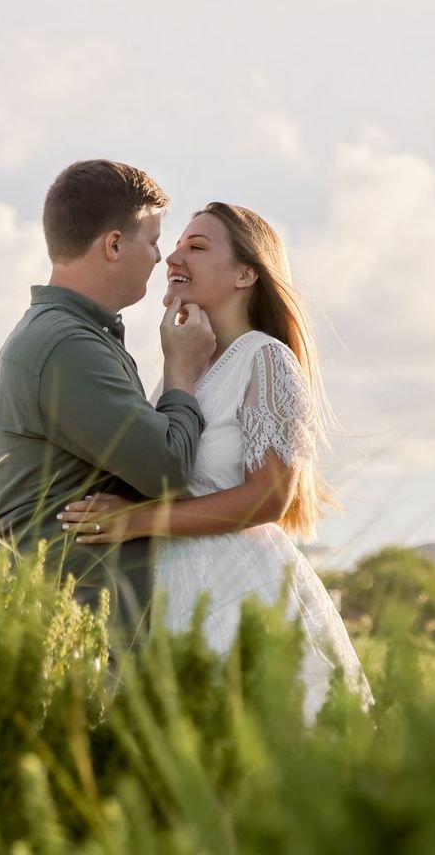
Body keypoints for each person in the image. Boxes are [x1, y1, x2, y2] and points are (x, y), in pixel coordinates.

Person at [57, 202, 371, 722]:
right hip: (170, 591)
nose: (174, 256)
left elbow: (271, 497)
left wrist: (134, 521)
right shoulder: (184, 363)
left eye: (196, 247)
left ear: (247, 273)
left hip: (238, 589)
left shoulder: (266, 358)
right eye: (176, 245)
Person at [0, 159, 216, 642]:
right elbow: (167, 468)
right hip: (68, 636)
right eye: (152, 241)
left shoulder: (71, 336)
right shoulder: (68, 346)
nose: (158, 258)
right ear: (113, 244)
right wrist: (181, 370)